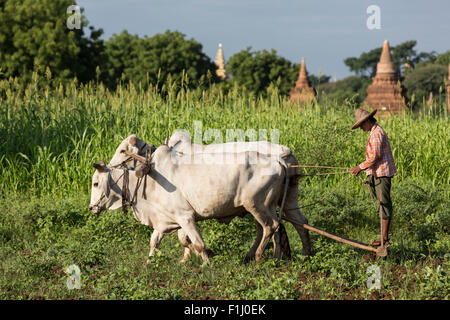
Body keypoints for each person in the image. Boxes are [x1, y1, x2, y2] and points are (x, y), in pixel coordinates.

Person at [349, 108, 397, 247]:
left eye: (362, 125)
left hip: (382, 173)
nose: (361, 128)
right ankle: (383, 237)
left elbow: (374, 157)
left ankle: (384, 238)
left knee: (383, 204)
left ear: (368, 121)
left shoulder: (377, 133)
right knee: (381, 205)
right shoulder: (373, 132)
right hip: (377, 173)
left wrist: (360, 167)